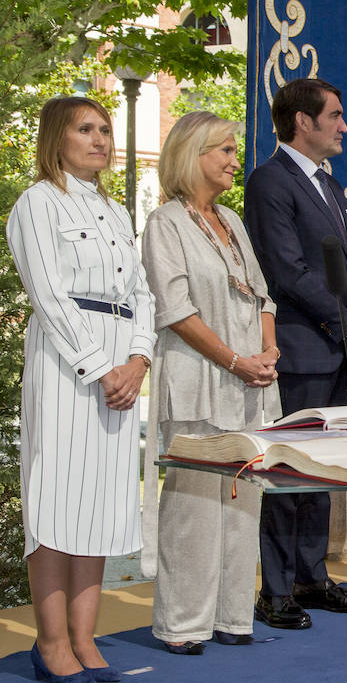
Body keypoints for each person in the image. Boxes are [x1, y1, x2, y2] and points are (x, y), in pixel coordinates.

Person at [8, 97, 155, 682]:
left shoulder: (116, 212)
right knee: (56, 500)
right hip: (69, 366)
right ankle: (51, 645)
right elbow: (46, 292)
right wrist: (101, 367)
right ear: (57, 138)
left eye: (106, 130)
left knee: (100, 505)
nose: (100, 139)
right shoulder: (38, 203)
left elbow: (142, 292)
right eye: (86, 129)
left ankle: (86, 639)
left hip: (122, 363)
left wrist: (139, 360)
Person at [244, 78, 347, 629]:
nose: (345, 125)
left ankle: (311, 576)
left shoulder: (328, 183)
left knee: (322, 472)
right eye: (336, 115)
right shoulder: (270, 182)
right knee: (286, 472)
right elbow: (286, 271)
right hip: (300, 352)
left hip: (338, 352)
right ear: (303, 121)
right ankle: (275, 590)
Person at [141, 112, 281, 654]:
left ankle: (232, 616)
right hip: (199, 378)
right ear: (192, 154)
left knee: (244, 498)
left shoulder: (231, 219)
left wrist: (267, 352)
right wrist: (234, 360)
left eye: (233, 149)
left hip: (250, 382)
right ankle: (182, 625)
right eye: (223, 149)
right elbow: (174, 310)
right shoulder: (165, 223)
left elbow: (262, 296)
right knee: (194, 504)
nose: (232, 159)